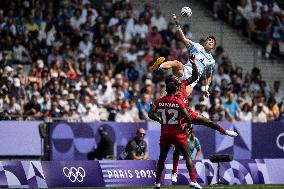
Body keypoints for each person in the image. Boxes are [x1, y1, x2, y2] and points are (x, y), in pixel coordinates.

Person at [164, 74, 238, 183]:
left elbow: (194, 76)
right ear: (172, 83)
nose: (178, 78)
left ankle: (225, 131)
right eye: (175, 78)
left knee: (208, 121)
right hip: (178, 118)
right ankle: (174, 172)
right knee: (178, 148)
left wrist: (194, 63)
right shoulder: (171, 94)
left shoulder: (183, 84)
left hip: (188, 113)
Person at [148, 82, 202, 189]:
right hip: (177, 133)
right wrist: (190, 125)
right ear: (175, 91)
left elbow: (150, 114)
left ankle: (157, 183)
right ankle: (193, 181)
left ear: (167, 90)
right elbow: (186, 115)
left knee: (162, 158)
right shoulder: (178, 101)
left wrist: (160, 120)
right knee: (187, 156)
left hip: (165, 133)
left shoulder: (159, 101)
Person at [152, 14, 217, 96]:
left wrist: (206, 88)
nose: (210, 42)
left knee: (180, 97)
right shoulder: (196, 46)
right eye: (209, 40)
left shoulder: (211, 61)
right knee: (176, 63)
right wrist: (177, 24)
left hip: (192, 80)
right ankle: (159, 66)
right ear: (205, 43)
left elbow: (208, 76)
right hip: (184, 71)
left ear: (213, 47)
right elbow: (183, 39)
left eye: (212, 42)